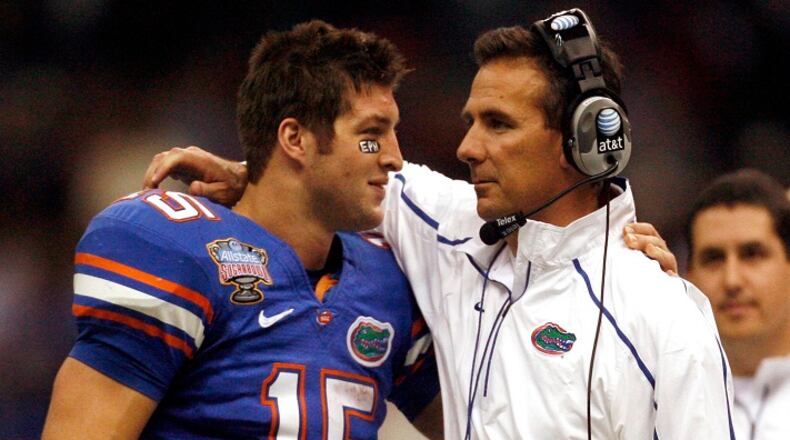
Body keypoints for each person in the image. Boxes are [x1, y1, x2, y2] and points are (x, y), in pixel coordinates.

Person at [145, 10, 730, 439]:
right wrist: (253, 173)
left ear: (583, 141)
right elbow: (339, 170)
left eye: (498, 124)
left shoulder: (660, 312)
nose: (468, 146)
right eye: (471, 121)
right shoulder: (455, 224)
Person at [43, 21, 440, 439]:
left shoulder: (387, 283)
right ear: (295, 138)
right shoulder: (175, 247)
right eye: (371, 135)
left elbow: (481, 423)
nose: (395, 157)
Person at [686, 169, 790, 440]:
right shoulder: (658, 400)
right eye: (713, 258)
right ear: (689, 277)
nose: (732, 281)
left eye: (752, 254)